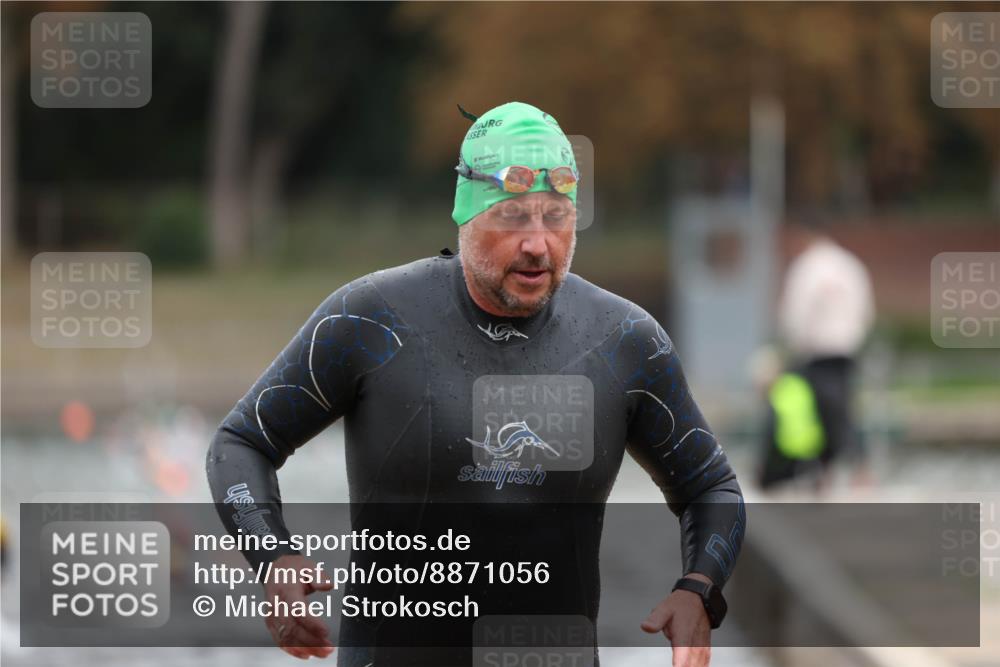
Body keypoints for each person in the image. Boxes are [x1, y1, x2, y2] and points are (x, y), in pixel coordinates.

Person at [206, 101, 745, 667]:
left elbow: (712, 488)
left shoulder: (624, 340)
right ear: (467, 215)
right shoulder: (370, 321)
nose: (538, 243)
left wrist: (699, 590)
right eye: (513, 216)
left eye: (556, 216)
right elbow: (241, 443)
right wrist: (273, 557)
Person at [758, 220, 875, 490]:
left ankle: (832, 471)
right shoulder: (850, 265)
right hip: (846, 349)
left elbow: (795, 314)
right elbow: (866, 310)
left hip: (815, 351)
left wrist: (789, 346)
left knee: (821, 413)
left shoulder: (806, 267)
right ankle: (842, 470)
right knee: (841, 408)